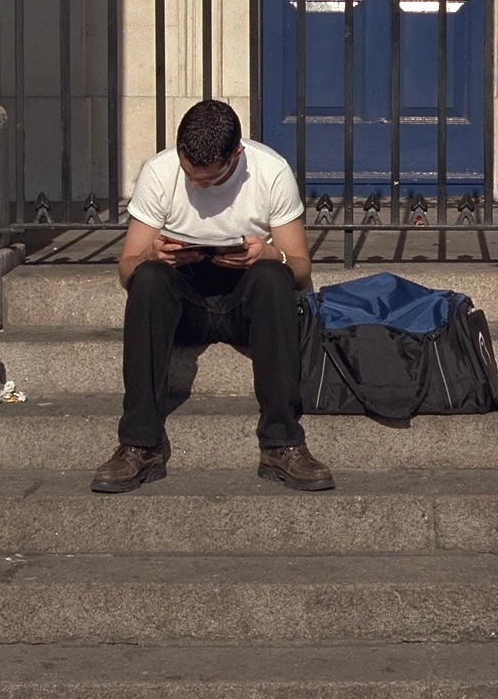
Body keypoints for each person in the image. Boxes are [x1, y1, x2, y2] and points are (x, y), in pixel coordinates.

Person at [90, 99, 334, 494]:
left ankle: (282, 443)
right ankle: (139, 444)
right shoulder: (159, 172)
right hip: (182, 305)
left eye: (210, 180)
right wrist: (153, 254)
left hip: (245, 303)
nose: (197, 186)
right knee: (147, 278)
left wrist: (268, 253)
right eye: (190, 175)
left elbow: (302, 269)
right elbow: (126, 270)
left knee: (274, 276)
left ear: (236, 154)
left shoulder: (271, 171)